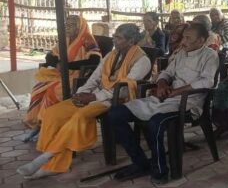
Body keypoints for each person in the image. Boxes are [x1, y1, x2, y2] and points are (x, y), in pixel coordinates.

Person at [17, 24, 151, 179]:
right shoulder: (111, 55)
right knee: (53, 113)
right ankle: (52, 164)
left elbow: (124, 89)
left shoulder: (142, 60)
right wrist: (81, 93)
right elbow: (94, 77)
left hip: (115, 101)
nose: (113, 39)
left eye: (118, 38)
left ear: (131, 41)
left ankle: (46, 158)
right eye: (114, 36)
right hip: (95, 95)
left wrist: (93, 97)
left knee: (79, 116)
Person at [108, 22, 219, 185]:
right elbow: (166, 73)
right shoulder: (181, 53)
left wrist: (177, 91)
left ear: (201, 40)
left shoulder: (210, 55)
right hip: (166, 98)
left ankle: (160, 170)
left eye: (188, 38)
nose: (183, 41)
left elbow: (207, 82)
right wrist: (161, 85)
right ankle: (140, 162)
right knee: (115, 114)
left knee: (155, 123)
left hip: (188, 104)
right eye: (184, 37)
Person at [25, 15, 101, 129]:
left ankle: (47, 121)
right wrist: (57, 63)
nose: (68, 27)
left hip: (78, 74)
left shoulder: (87, 38)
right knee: (38, 88)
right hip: (62, 72)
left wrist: (67, 65)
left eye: (72, 25)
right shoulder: (65, 39)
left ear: (80, 26)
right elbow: (50, 55)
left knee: (52, 90)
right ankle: (37, 119)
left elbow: (95, 59)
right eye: (67, 24)